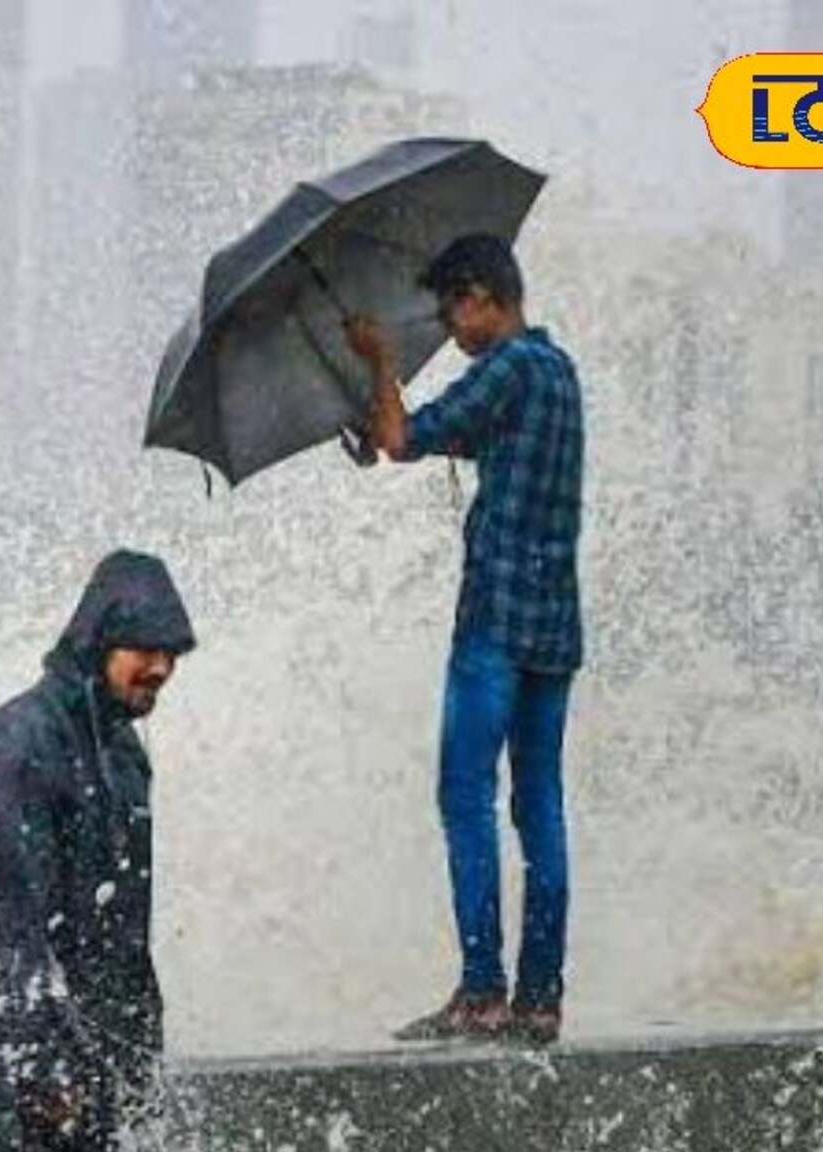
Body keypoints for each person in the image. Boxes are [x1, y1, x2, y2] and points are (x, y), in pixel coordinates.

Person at [345, 232, 584, 1043]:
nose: (452, 331)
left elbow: (403, 438)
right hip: (554, 627)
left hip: (495, 628)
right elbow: (438, 437)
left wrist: (379, 361)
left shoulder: (508, 367)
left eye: (454, 312)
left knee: (464, 797)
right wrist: (389, 427)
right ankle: (540, 997)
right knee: (540, 805)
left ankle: (482, 988)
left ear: (484, 295)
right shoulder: (558, 373)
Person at [0, 550, 197, 1151]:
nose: (160, 668)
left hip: (97, 1054)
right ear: (98, 643)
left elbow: (126, 931)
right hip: (13, 1067)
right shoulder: (18, 750)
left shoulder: (125, 755)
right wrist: (40, 1064)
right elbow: (10, 927)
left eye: (172, 654)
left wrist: (142, 1053)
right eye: (145, 650)